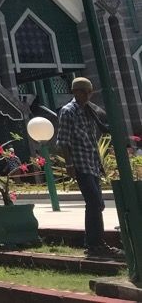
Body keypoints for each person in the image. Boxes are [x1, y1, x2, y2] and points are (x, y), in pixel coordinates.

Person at [57, 77, 123, 258]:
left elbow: (97, 136)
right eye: (83, 92)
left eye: (89, 92)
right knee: (95, 203)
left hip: (92, 163)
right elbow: (63, 141)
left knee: (96, 204)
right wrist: (69, 163)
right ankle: (95, 245)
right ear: (75, 92)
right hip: (80, 163)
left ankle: (94, 243)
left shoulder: (90, 111)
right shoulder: (68, 111)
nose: (86, 95)